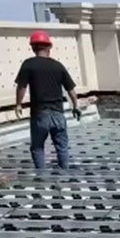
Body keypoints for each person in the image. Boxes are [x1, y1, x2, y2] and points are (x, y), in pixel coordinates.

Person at [14, 31, 81, 171]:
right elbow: (71, 89)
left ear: (33, 48)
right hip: (58, 113)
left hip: (40, 114)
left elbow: (22, 87)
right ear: (49, 47)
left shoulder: (28, 64)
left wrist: (18, 104)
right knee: (62, 147)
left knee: (38, 147)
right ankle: (65, 174)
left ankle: (42, 177)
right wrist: (76, 105)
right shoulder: (58, 66)